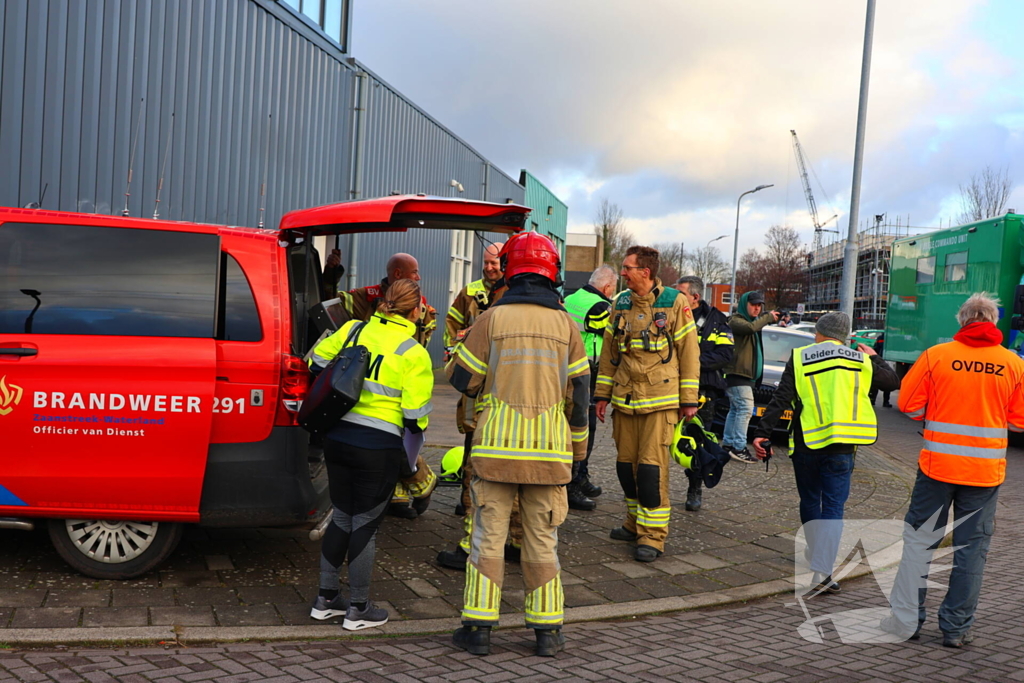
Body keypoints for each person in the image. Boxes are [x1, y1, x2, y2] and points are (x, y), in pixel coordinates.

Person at [447, 232, 590, 657]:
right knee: (542, 541)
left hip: (495, 454)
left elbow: (462, 379)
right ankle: (548, 634)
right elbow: (579, 396)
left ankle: (478, 630)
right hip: (549, 456)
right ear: (552, 273)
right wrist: (577, 453)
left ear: (509, 270)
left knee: (487, 539)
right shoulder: (567, 324)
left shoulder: (492, 318)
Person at [879, 294, 1024, 648]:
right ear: (993, 322)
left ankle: (906, 622)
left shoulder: (936, 356)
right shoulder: (1013, 364)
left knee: (919, 545)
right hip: (984, 473)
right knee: (971, 551)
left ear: (962, 321)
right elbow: (1019, 422)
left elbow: (908, 405)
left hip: (937, 468)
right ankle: (956, 629)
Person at [307, 279, 434, 631]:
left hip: (337, 438)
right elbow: (415, 416)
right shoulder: (414, 353)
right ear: (415, 310)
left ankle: (326, 600)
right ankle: (359, 608)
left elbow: (316, 362)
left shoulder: (353, 329)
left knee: (343, 518)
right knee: (365, 524)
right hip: (377, 449)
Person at [752, 311, 899, 596]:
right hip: (844, 444)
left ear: (818, 332)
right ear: (843, 336)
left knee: (809, 499)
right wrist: (873, 356)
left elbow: (781, 397)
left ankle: (815, 552)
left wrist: (763, 433)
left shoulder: (801, 357)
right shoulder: (861, 360)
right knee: (833, 507)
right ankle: (823, 569)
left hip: (807, 441)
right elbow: (893, 382)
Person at [594, 246, 700, 563]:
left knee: (651, 472)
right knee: (626, 468)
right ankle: (633, 523)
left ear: (646, 271)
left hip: (661, 402)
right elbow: (609, 352)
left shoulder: (675, 302)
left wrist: (689, 400)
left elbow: (690, 353)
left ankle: (652, 536)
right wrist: (602, 395)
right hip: (625, 401)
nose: (622, 273)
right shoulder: (621, 303)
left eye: (627, 268)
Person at [437, 242, 524, 570]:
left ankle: (476, 544)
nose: (490, 268)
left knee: (481, 472)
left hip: (490, 397)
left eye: (495, 263)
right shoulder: (470, 293)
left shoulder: (510, 297)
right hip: (485, 394)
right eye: (486, 262)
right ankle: (511, 539)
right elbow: (450, 329)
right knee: (482, 465)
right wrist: (455, 350)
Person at [342, 253, 438, 518]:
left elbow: (423, 338)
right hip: (373, 385)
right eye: (414, 272)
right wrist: (331, 273)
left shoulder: (419, 302)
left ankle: (422, 484)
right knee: (389, 446)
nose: (418, 277)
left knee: (403, 443)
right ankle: (397, 497)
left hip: (404, 383)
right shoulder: (367, 296)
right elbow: (332, 304)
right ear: (398, 274)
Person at [674, 276, 734, 512]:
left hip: (703, 392)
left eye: (681, 294)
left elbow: (725, 355)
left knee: (699, 441)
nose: (676, 298)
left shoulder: (716, 321)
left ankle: (694, 489)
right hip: (669, 388)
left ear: (695, 297)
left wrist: (691, 362)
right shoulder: (669, 315)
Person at [562, 264, 617, 510]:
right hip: (586, 372)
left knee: (575, 425)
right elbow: (612, 336)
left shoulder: (571, 298)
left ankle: (579, 477)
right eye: (613, 289)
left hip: (565, 367)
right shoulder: (602, 307)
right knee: (584, 428)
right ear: (607, 287)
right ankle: (572, 484)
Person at [721, 291, 778, 464]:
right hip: (737, 374)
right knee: (745, 409)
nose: (757, 308)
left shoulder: (751, 322)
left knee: (736, 410)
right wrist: (768, 317)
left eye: (760, 305)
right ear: (744, 304)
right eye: (753, 304)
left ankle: (729, 445)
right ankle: (738, 447)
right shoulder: (736, 320)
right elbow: (750, 329)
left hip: (744, 376)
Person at [869, 332, 892, 407]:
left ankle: (873, 400)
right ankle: (885, 401)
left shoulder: (881, 337)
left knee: (878, 379)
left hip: (880, 360)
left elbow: (875, 349)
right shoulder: (890, 338)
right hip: (887, 360)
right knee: (887, 380)